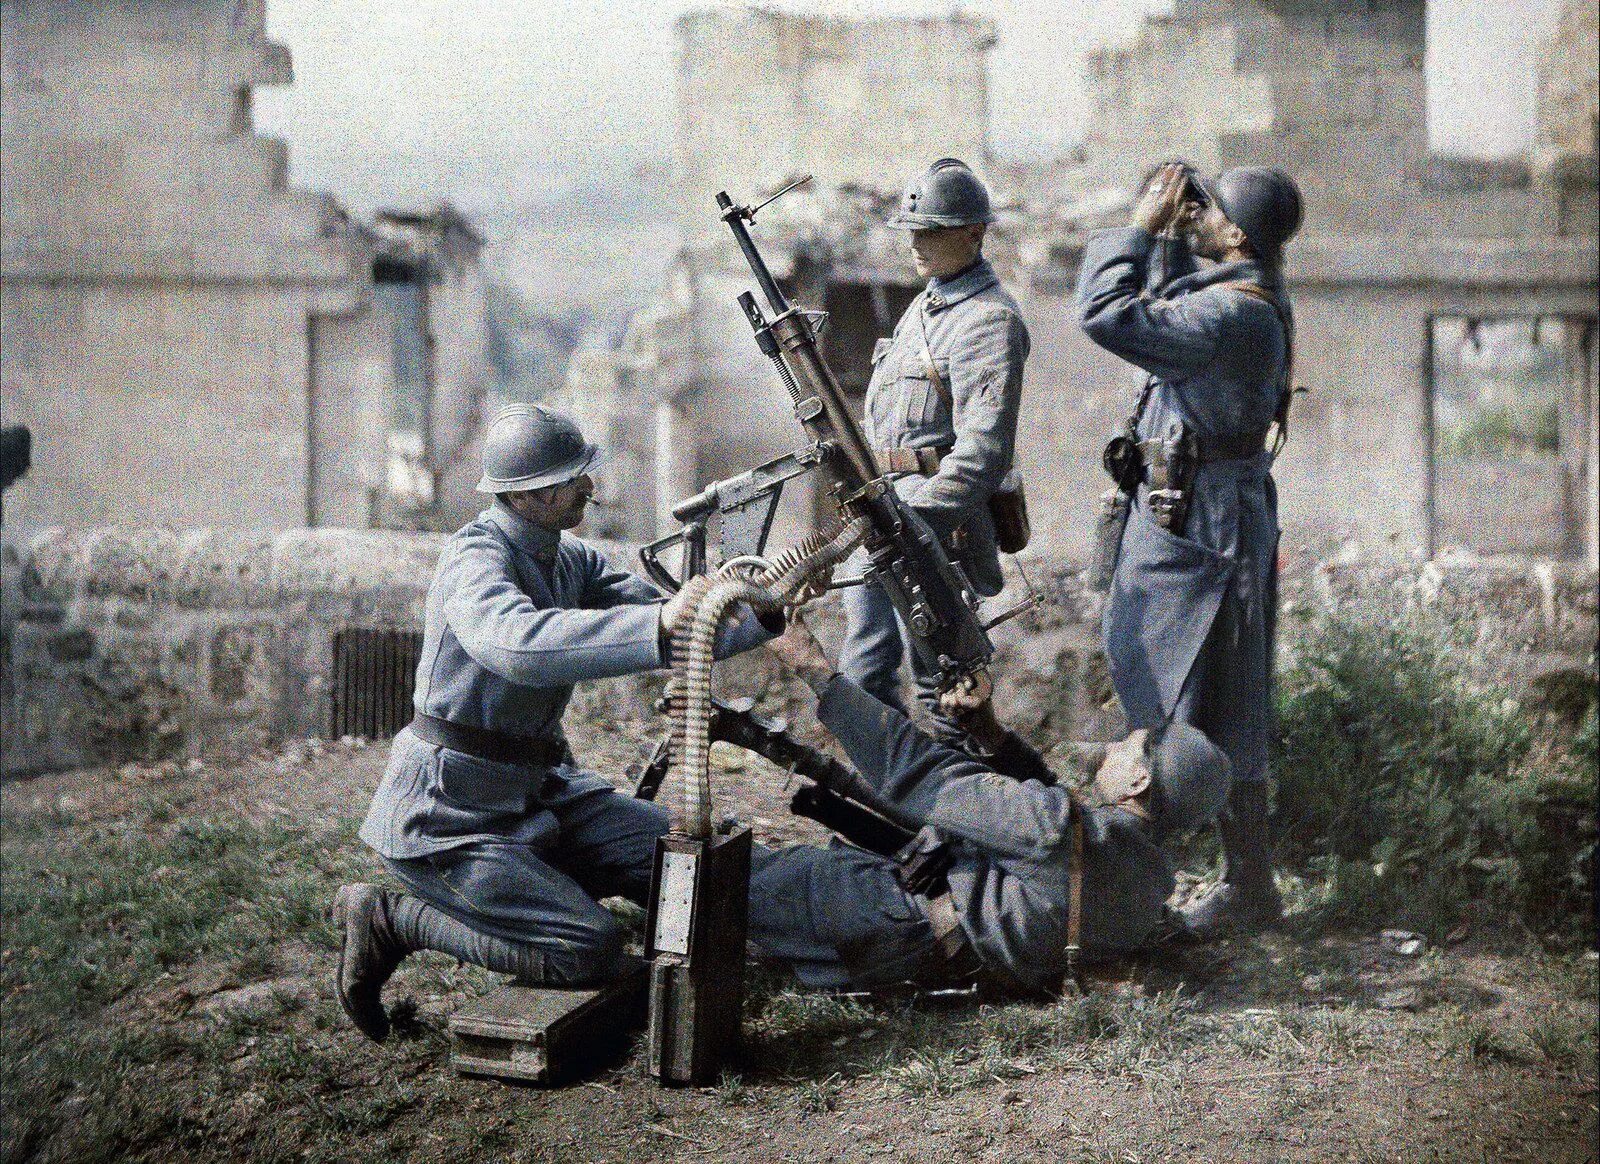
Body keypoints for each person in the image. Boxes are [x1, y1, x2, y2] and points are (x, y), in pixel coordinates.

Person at [331, 404, 777, 1043]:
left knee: (687, 860)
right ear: (529, 495)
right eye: (574, 480)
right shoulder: (473, 560)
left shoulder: (568, 560)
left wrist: (760, 611)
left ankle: (547, 890)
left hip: (539, 794)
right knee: (589, 950)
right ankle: (391, 918)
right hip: (452, 820)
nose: (588, 489)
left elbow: (680, 625)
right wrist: (660, 623)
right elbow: (515, 643)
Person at [746, 615, 1231, 995]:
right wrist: (989, 732)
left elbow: (917, 771)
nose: (1111, 749)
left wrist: (815, 669)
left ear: (1139, 780)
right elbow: (1061, 831)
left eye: (1127, 745)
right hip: (932, 961)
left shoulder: (1052, 829)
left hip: (883, 921)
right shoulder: (1146, 886)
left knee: (711, 874)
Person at [1076, 163, 1303, 936]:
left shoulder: (1235, 316)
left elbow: (1109, 315)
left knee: (1209, 698)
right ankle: (1244, 884)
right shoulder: (1247, 292)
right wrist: (1173, 238)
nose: (1197, 216)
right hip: (1208, 508)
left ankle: (1196, 888)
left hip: (1208, 525)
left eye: (1208, 212)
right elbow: (1171, 308)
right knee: (1206, 692)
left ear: (1237, 235)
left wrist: (1139, 227)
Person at [839, 157, 1030, 744]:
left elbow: (983, 454)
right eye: (913, 231)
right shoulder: (926, 307)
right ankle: (892, 798)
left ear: (973, 234)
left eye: (933, 230)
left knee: (942, 682)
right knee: (865, 669)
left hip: (936, 528)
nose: (917, 244)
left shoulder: (988, 322)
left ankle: (967, 811)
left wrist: (912, 522)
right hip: (888, 513)